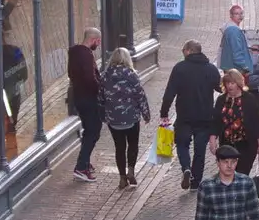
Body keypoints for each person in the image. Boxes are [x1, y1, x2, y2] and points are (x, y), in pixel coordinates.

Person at [159, 40, 221, 191]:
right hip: (205, 116)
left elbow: (169, 93)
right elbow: (220, 88)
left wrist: (164, 113)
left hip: (184, 116)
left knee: (182, 144)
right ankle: (195, 183)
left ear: (188, 51)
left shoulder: (180, 68)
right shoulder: (211, 69)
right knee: (200, 151)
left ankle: (186, 168)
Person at [100, 47, 151, 189]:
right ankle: (131, 170)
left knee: (119, 147)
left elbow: (100, 98)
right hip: (132, 118)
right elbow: (140, 96)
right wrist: (146, 114)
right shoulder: (132, 75)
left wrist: (104, 116)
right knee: (133, 144)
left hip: (113, 119)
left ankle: (122, 177)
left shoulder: (104, 76)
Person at [209, 68, 259, 173]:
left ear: (238, 83)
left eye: (232, 83)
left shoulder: (249, 99)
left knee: (242, 173)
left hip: (246, 145)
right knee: (227, 173)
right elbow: (216, 121)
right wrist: (212, 140)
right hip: (226, 145)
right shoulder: (221, 100)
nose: (230, 86)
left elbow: (257, 123)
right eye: (227, 83)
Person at [68, 26, 104, 184]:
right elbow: (90, 79)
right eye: (98, 41)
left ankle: (85, 161)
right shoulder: (86, 55)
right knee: (93, 131)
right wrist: (101, 90)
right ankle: (81, 167)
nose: (99, 45)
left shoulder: (74, 53)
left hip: (78, 98)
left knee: (89, 130)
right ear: (94, 39)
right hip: (89, 99)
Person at [218, 4, 255, 75]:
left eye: (241, 13)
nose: (240, 16)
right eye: (236, 14)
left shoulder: (230, 29)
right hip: (236, 70)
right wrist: (245, 67)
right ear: (231, 16)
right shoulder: (233, 31)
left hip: (231, 68)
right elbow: (237, 51)